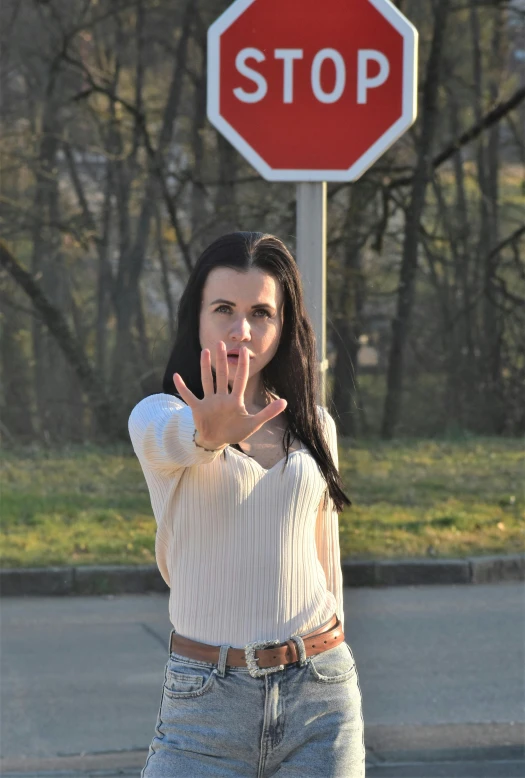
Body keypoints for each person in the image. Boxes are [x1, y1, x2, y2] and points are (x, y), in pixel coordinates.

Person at [128, 232, 366, 777]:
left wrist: (335, 669)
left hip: (320, 696)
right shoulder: (158, 417)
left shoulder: (314, 427)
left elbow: (326, 565)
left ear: (284, 327)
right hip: (203, 703)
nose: (242, 330)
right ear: (198, 319)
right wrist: (209, 434)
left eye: (261, 312)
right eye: (224, 309)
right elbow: (176, 438)